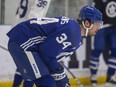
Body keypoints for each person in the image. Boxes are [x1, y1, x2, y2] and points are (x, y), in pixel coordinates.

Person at [7, 5, 102, 87]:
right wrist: (59, 73)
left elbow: (49, 55)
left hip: (26, 42)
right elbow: (46, 52)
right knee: (47, 82)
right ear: (87, 23)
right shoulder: (73, 32)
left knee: (43, 78)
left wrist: (59, 73)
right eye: (97, 24)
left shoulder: (75, 32)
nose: (99, 27)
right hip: (23, 41)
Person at [12, 0, 51, 87]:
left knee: (24, 62)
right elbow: (34, 16)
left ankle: (15, 85)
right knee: (33, 64)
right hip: (28, 30)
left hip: (17, 29)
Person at [89, 0, 116, 87]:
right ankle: (93, 75)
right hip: (101, 27)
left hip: (114, 27)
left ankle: (110, 76)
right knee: (97, 50)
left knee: (115, 52)